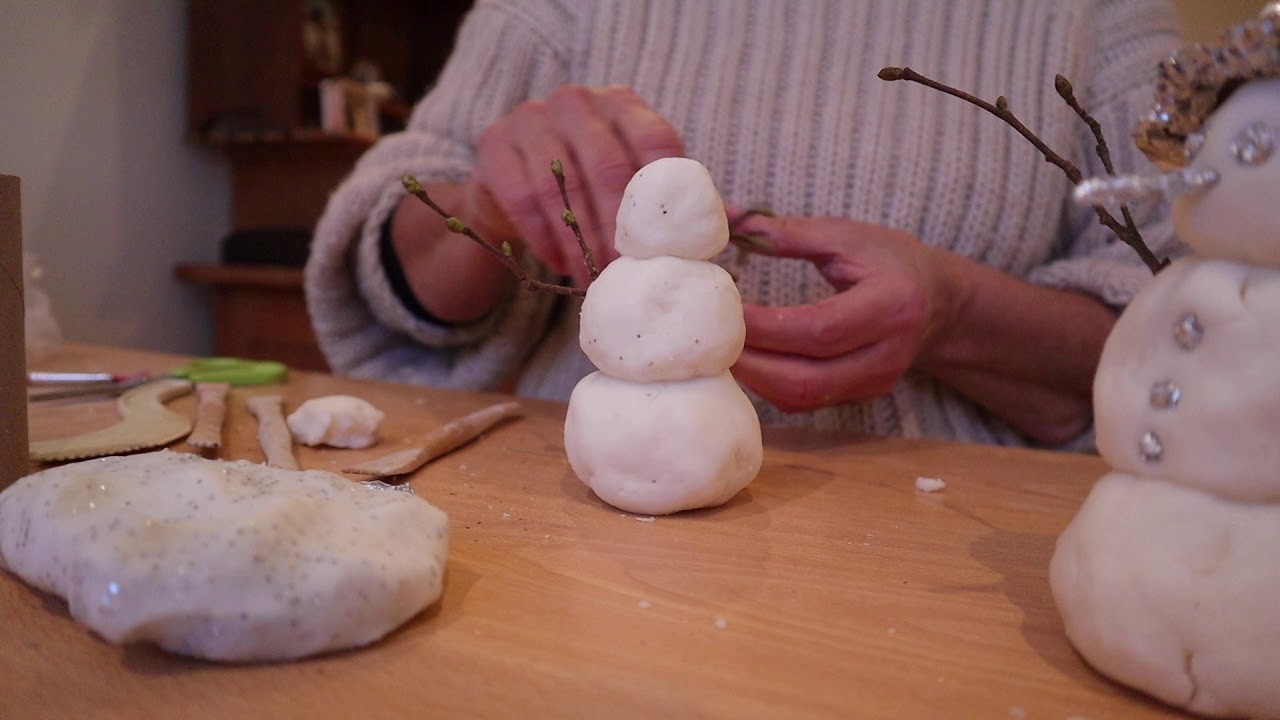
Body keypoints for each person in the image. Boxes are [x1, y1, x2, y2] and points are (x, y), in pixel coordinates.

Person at [305, 0, 1185, 449]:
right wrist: (493, 204)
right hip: (560, 527)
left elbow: (1195, 335)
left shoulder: (1094, 20)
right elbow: (399, 261)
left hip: (942, 558)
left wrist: (954, 313)